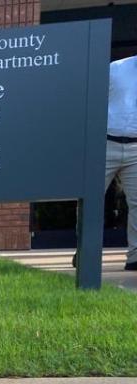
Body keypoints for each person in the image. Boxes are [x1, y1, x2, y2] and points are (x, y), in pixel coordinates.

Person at [106, 54, 137, 271]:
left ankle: (135, 257)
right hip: (106, 142)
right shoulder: (115, 69)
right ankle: (84, 251)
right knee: (89, 199)